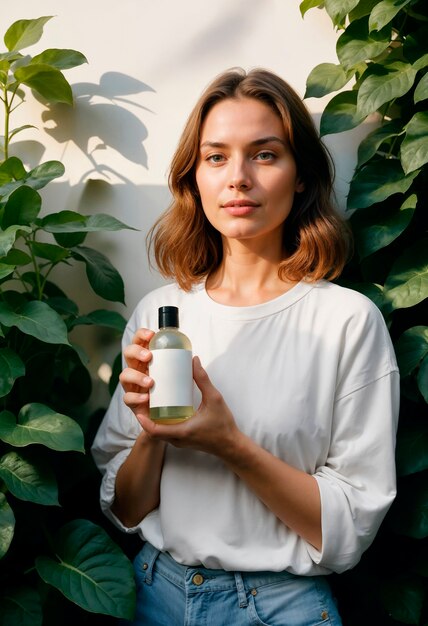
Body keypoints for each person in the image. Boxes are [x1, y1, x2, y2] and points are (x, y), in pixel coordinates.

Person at [91, 68, 399, 626]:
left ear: (301, 175)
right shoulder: (163, 316)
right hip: (155, 593)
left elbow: (348, 528)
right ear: (195, 179)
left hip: (284, 608)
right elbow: (126, 509)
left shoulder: (347, 322)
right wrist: (153, 435)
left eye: (264, 154)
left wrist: (229, 443)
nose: (237, 178)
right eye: (216, 157)